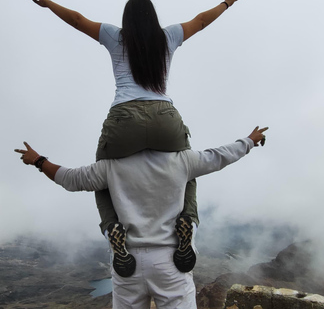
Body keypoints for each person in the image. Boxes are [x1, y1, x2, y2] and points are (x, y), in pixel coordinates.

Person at [27, 0, 244, 276]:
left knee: (102, 175)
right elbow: (201, 21)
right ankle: (187, 222)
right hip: (165, 118)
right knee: (189, 168)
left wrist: (48, 2)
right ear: (153, 18)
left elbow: (78, 20)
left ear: (126, 19)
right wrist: (227, 2)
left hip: (123, 120)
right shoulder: (168, 37)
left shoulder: (115, 36)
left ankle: (112, 229)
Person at [15, 126, 268, 309]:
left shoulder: (110, 166)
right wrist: (249, 140)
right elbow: (221, 156)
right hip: (171, 261)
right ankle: (187, 224)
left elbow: (69, 179)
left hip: (128, 262)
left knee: (100, 186)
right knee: (190, 178)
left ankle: (111, 232)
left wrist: (38, 160)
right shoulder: (182, 159)